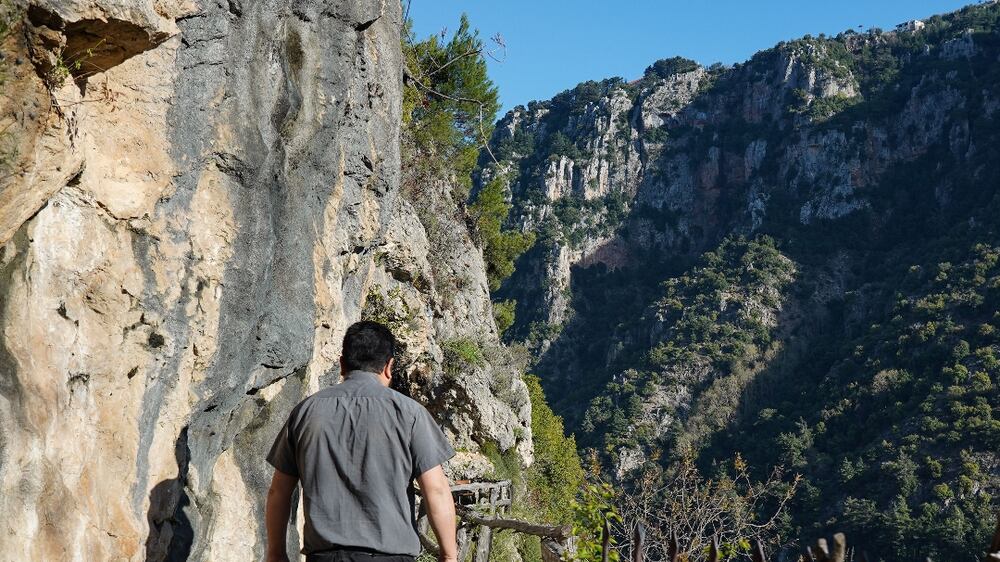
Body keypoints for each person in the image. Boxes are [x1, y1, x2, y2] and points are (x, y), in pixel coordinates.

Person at [264, 321, 458, 562]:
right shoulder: (410, 414)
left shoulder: (306, 412)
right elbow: (436, 490)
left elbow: (279, 491)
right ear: (389, 367)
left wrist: (275, 554)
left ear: (342, 364)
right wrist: (449, 555)